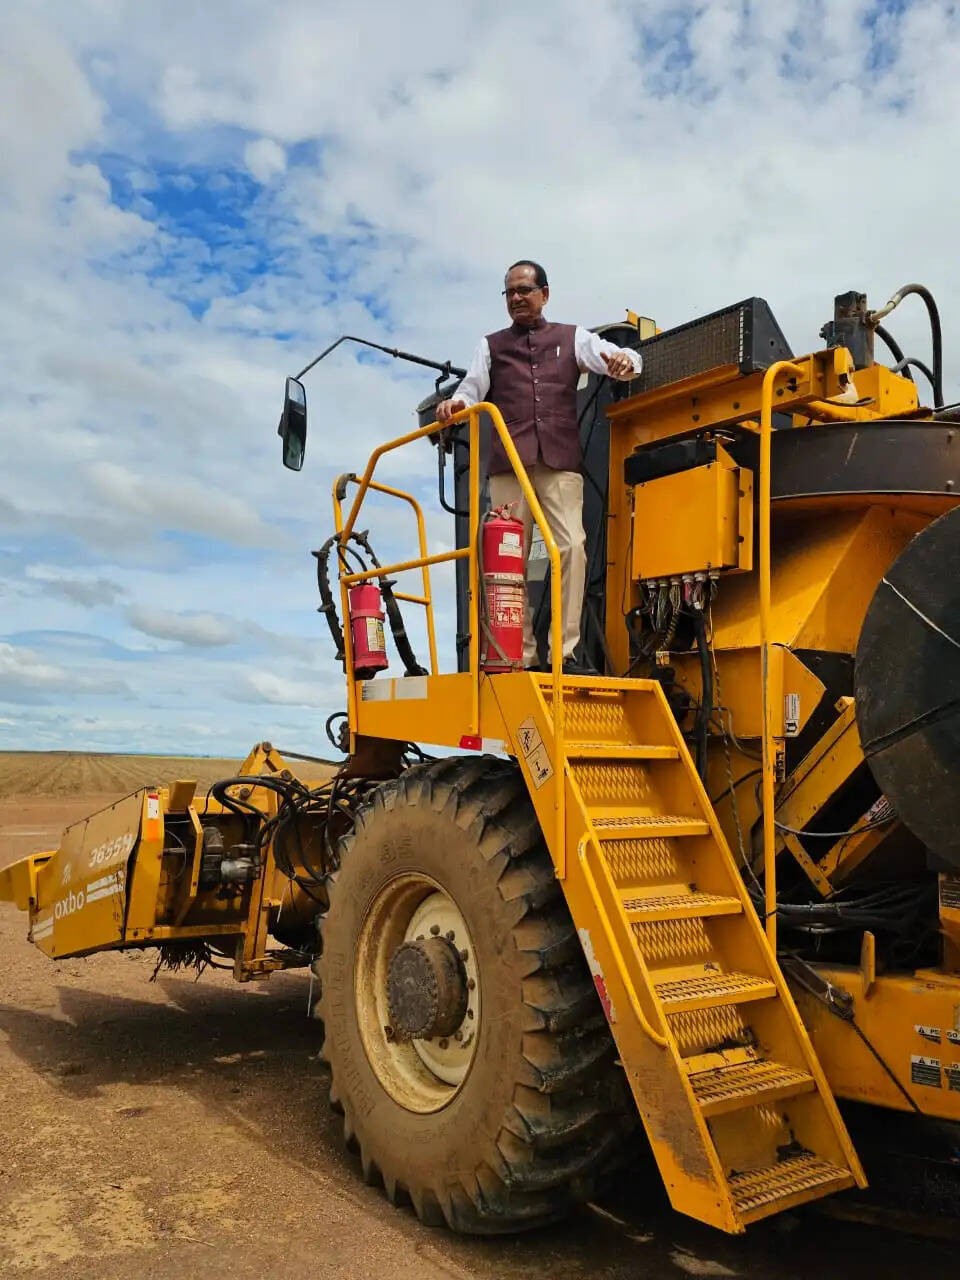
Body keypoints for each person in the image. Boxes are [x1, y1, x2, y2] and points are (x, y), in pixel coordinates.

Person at [437, 259, 642, 673]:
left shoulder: (572, 338)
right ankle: (520, 654)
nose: (516, 298)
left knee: (572, 548)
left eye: (524, 290)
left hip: (559, 462)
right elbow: (470, 390)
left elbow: (621, 357)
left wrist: (627, 362)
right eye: (510, 292)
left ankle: (564, 654)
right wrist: (456, 405)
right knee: (506, 558)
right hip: (509, 465)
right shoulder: (489, 346)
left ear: (544, 294)